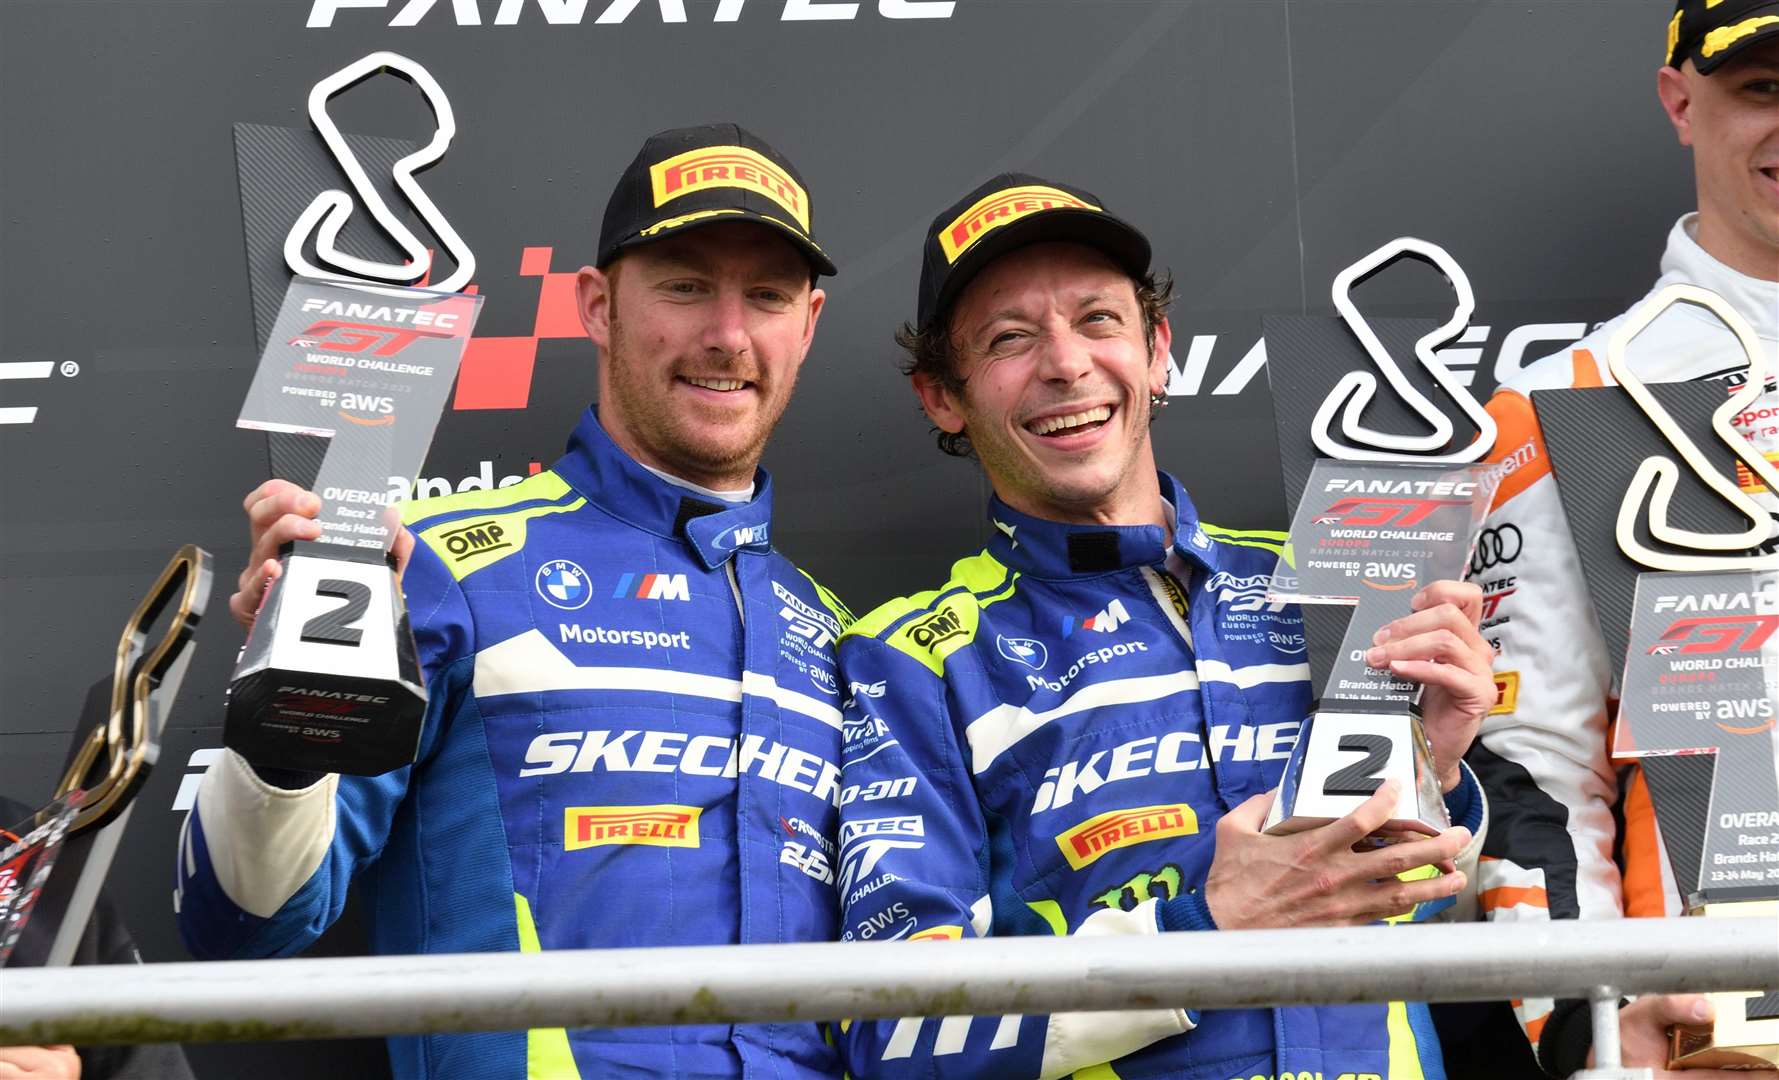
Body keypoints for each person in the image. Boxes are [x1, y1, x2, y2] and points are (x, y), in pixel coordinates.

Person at [176, 123, 854, 1080]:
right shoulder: (442, 565)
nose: (729, 334)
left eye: (768, 296)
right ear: (596, 305)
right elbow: (244, 931)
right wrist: (289, 716)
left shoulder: (843, 637)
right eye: (685, 284)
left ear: (809, 324)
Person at [830, 175, 1495, 1079]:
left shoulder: (1329, 583)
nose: (1065, 364)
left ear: (1157, 351)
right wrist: (1199, 932)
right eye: (1009, 339)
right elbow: (892, 1033)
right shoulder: (915, 660)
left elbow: (1402, 914)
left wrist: (1435, 766)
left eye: (1097, 320)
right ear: (941, 397)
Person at [1469, 3, 1779, 1074]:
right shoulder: (1574, 403)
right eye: (1765, 90)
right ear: (1681, 101)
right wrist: (1595, 1038)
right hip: (1736, 1041)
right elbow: (1533, 776)